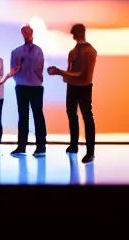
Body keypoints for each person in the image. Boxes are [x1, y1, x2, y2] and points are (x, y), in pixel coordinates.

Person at [47, 23, 98, 163]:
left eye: (74, 33)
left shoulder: (88, 51)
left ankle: (90, 151)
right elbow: (72, 72)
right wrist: (61, 73)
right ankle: (74, 145)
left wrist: (59, 72)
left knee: (87, 116)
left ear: (79, 33)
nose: (73, 36)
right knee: (72, 114)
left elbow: (82, 74)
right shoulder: (74, 51)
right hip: (72, 87)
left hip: (83, 87)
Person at [3, 25, 47, 157]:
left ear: (32, 33)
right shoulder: (16, 52)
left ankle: (41, 146)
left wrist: (37, 78)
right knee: (23, 116)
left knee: (38, 116)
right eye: (24, 33)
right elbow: (13, 69)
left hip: (35, 86)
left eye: (28, 33)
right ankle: (21, 146)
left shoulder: (38, 51)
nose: (26, 35)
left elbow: (40, 68)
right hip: (22, 86)